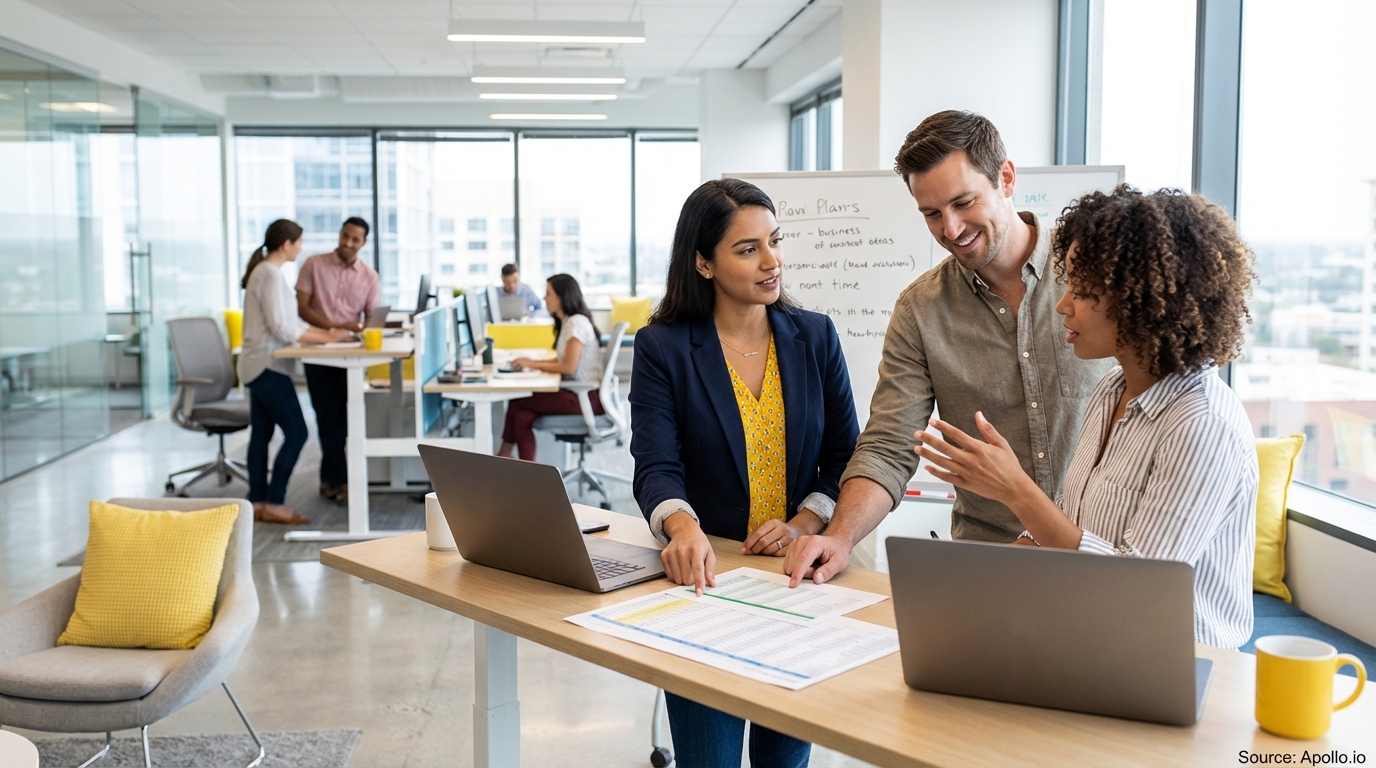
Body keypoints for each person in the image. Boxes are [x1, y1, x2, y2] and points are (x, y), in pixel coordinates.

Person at [912, 186, 1259, 649]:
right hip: (1093, 641)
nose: (1063, 304)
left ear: (1143, 301)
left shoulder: (1202, 423)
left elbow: (1137, 590)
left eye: (1084, 291)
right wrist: (970, 585)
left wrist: (1016, 490)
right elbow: (1064, 533)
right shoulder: (1110, 389)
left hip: (1173, 662)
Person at [785, 110, 1111, 587]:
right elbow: (889, 445)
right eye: (931, 213)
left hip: (1104, 558)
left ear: (1006, 177)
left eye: (963, 202)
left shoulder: (1095, 273)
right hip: (989, 569)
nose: (951, 229)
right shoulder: (920, 310)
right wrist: (841, 536)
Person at [630, 178, 859, 768]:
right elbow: (657, 465)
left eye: (774, 241)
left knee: (786, 762)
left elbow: (844, 454)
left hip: (794, 584)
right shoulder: (663, 348)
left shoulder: (815, 336)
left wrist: (805, 520)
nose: (771, 261)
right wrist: (682, 528)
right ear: (703, 262)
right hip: (707, 586)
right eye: (748, 248)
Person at [238, 219, 353, 524]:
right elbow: (284, 328)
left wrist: (328, 333)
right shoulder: (270, 275)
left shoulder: (267, 273)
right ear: (286, 244)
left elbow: (292, 325)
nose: (301, 248)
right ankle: (274, 502)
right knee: (297, 432)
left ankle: (258, 503)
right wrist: (328, 335)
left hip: (260, 363)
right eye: (299, 242)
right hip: (266, 365)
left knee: (262, 434)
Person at [295, 216, 380, 504]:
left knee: (347, 421)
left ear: (363, 243)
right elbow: (302, 308)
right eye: (345, 236)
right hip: (318, 350)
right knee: (326, 418)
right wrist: (331, 329)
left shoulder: (369, 276)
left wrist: (364, 329)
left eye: (355, 239)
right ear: (340, 234)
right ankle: (340, 481)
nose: (347, 243)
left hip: (349, 355)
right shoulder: (313, 264)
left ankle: (331, 479)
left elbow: (371, 316)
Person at [496, 274, 603, 461]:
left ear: (562, 296)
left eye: (548, 294)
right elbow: (564, 358)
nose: (544, 298)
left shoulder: (576, 323)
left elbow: (569, 367)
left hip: (583, 397)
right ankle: (527, 474)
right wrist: (530, 361)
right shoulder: (569, 321)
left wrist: (531, 364)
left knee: (516, 401)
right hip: (576, 394)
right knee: (522, 417)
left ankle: (503, 456)